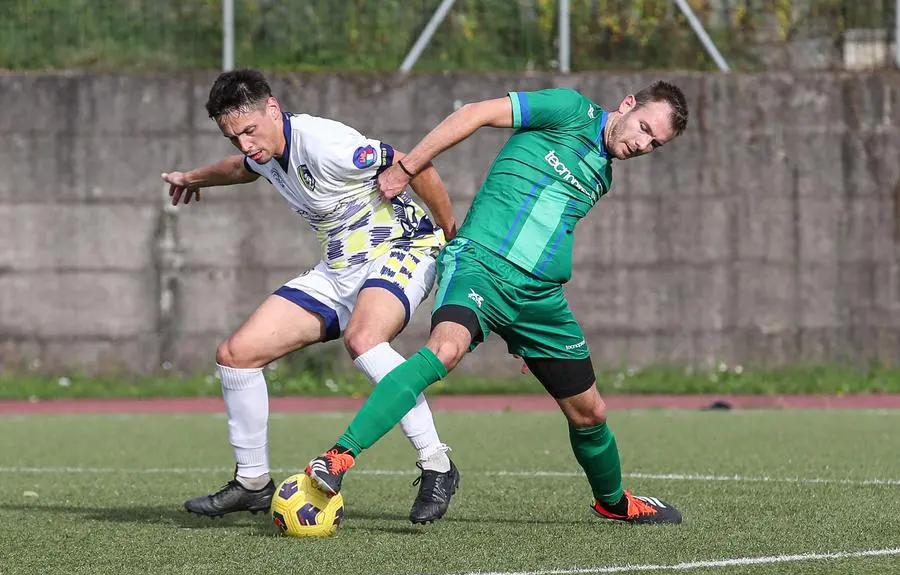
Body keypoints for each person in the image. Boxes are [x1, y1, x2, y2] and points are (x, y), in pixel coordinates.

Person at [305, 81, 689, 525]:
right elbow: (474, 112)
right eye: (642, 128)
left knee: (591, 412)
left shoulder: (604, 173)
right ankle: (338, 457)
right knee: (443, 352)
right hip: (480, 266)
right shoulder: (568, 109)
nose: (641, 144)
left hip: (540, 300)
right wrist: (409, 166)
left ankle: (614, 502)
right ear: (626, 105)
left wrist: (522, 334)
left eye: (654, 144)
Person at [162, 69, 460, 524]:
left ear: (273, 109)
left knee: (364, 339)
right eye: (232, 136)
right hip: (339, 267)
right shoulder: (261, 151)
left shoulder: (324, 143)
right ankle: (252, 483)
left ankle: (437, 462)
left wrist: (451, 237)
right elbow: (243, 169)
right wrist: (193, 177)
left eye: (248, 130)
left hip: (403, 248)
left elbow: (414, 165)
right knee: (236, 354)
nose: (244, 143)